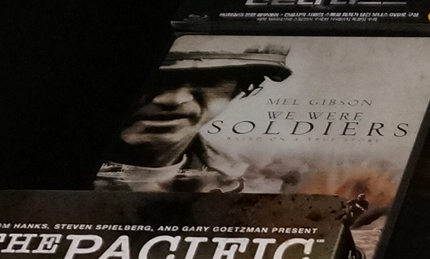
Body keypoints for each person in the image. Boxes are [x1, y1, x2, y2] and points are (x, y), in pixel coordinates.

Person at [94, 44, 293, 193]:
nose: (174, 99)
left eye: (209, 80)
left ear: (245, 86)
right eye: (155, 79)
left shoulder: (253, 183)